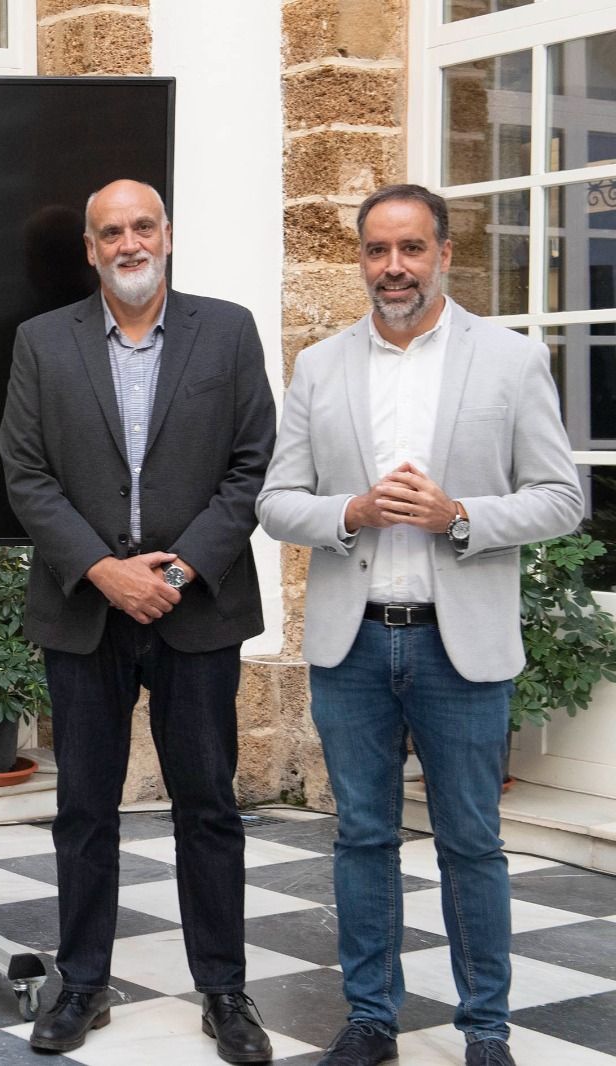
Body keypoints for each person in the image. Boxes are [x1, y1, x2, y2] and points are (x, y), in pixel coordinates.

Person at [256, 184, 583, 1066]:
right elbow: (277, 502)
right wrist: (352, 511)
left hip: (458, 642)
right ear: (360, 259)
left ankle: (486, 1030)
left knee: (471, 844)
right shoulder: (320, 366)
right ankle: (371, 1020)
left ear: (444, 253)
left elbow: (561, 498)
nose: (392, 267)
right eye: (377, 250)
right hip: (353, 641)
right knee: (362, 836)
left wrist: (460, 515)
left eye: (410, 249)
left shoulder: (510, 360)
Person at [0, 179, 277, 1061]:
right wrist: (105, 571)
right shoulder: (42, 342)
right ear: (90, 249)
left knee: (209, 807)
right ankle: (82, 986)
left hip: (198, 610)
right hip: (87, 609)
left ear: (168, 235)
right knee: (84, 808)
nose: (129, 243)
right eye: (111, 231)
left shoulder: (226, 331)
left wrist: (180, 570)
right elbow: (25, 473)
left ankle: (225, 992)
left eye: (143, 226)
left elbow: (252, 466)